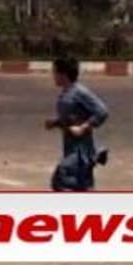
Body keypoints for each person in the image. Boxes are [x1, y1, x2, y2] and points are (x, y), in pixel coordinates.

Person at [44, 56, 109, 191]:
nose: (53, 76)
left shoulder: (79, 91)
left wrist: (83, 128)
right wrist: (55, 123)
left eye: (55, 72)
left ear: (63, 74)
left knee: (62, 181)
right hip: (71, 149)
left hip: (80, 152)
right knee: (82, 186)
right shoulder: (66, 93)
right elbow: (71, 118)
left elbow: (102, 111)